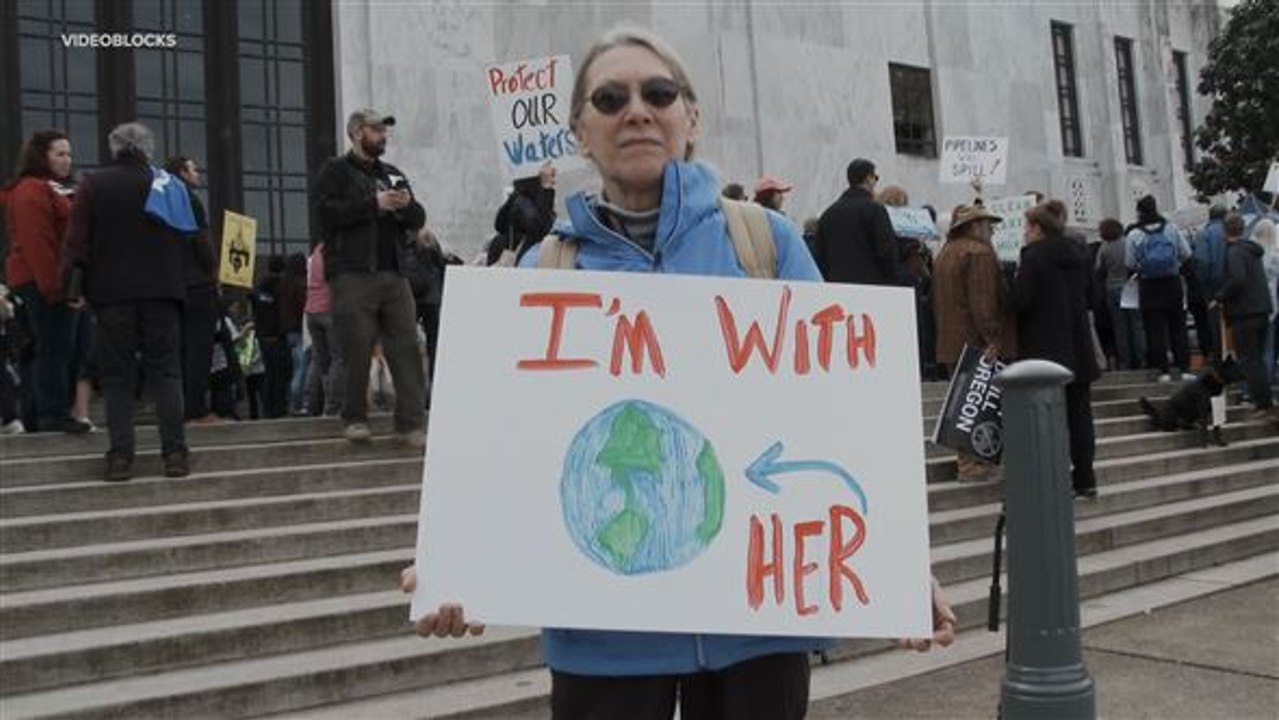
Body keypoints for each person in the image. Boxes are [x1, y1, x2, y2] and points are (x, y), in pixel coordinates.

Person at [403, 28, 956, 720]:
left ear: (688, 116)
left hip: (757, 628)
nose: (635, 110)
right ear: (580, 129)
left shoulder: (764, 243)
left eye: (656, 92)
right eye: (609, 98)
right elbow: (501, 449)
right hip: (601, 634)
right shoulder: (544, 272)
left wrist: (898, 565)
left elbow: (839, 417)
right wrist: (455, 563)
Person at [61, 122, 190, 481]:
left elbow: (77, 241)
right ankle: (174, 452)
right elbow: (190, 236)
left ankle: (121, 455)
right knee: (166, 372)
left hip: (113, 294)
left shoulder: (94, 184)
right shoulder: (169, 183)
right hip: (163, 292)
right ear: (148, 148)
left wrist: (72, 283)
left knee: (117, 377)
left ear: (114, 148)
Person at [314, 108, 427, 446]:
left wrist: (404, 205)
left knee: (406, 345)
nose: (383, 136)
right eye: (376, 130)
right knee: (356, 348)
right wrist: (372, 204)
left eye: (384, 130)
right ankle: (354, 417)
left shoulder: (392, 174)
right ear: (356, 133)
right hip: (352, 273)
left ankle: (410, 423)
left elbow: (418, 217)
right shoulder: (335, 171)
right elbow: (326, 213)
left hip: (393, 273)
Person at [0, 130, 90, 434]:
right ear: (42, 156)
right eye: (60, 154)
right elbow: (38, 243)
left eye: (69, 154)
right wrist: (55, 289)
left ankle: (42, 416)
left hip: (45, 280)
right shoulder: (31, 191)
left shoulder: (48, 189)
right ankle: (52, 416)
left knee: (49, 349)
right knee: (54, 348)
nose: (67, 160)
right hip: (43, 281)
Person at [1014, 200, 1101, 497]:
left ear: (1037, 228)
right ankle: (1086, 478)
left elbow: (1022, 301)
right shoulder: (1079, 254)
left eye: (1027, 227)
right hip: (1078, 347)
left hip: (1046, 349)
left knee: (1048, 417)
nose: (1024, 233)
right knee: (1080, 417)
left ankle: (1053, 477)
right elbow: (1090, 294)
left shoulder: (1034, 257)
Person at [932, 204, 1009, 482]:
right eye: (987, 224)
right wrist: (992, 337)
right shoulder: (978, 253)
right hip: (975, 340)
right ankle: (971, 465)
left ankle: (967, 463)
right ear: (974, 226)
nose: (991, 230)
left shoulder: (946, 252)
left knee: (962, 404)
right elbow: (982, 301)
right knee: (975, 405)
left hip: (951, 340)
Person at [164, 156, 219, 424]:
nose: (197, 173)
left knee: (181, 349)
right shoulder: (190, 200)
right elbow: (201, 240)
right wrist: (213, 269)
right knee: (199, 348)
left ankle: (180, 407)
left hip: (173, 283)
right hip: (197, 283)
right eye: (193, 169)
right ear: (183, 173)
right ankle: (196, 409)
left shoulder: (162, 201)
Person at [1212, 213, 1274, 420]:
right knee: (1257, 358)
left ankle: (1263, 403)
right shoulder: (1252, 251)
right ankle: (1265, 400)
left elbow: (1238, 279)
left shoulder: (1235, 252)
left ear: (1225, 230)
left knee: (1249, 360)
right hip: (1262, 310)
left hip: (1244, 312)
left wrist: (1220, 297)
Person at [1125, 195, 1193, 382]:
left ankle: (1162, 370)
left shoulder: (1134, 234)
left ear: (1139, 212)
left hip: (1149, 286)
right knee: (1178, 327)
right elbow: (1186, 253)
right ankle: (1184, 368)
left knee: (1154, 330)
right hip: (1172, 283)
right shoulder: (1171, 228)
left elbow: (1129, 262)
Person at [812, 158, 898, 285]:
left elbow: (819, 255)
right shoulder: (875, 210)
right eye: (875, 177)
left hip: (836, 289)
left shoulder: (828, 214)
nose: (875, 182)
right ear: (868, 178)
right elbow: (886, 252)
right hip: (871, 288)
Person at [1095, 217, 1144, 370]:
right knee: (1136, 325)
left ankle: (1125, 362)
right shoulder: (1128, 242)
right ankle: (1141, 359)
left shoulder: (1104, 248)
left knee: (1119, 327)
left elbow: (1098, 269)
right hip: (1130, 287)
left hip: (1112, 289)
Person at [303, 242, 344, 416]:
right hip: (328, 311)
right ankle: (334, 406)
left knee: (320, 359)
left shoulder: (316, 252)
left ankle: (314, 403)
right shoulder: (333, 251)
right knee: (338, 359)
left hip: (311, 311)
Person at [489, 161, 557, 266]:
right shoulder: (525, 203)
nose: (553, 181)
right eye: (549, 177)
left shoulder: (517, 200)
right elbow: (542, 228)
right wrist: (546, 189)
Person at [251, 255, 292, 419]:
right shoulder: (281, 286)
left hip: (262, 337)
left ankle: (267, 410)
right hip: (278, 336)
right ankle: (279, 409)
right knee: (280, 376)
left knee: (268, 375)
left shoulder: (259, 288)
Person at [1189, 205, 1228, 361]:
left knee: (1216, 323)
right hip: (1233, 282)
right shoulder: (1230, 231)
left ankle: (1219, 355)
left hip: (1212, 284)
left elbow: (1202, 261)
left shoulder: (1204, 234)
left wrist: (1203, 283)